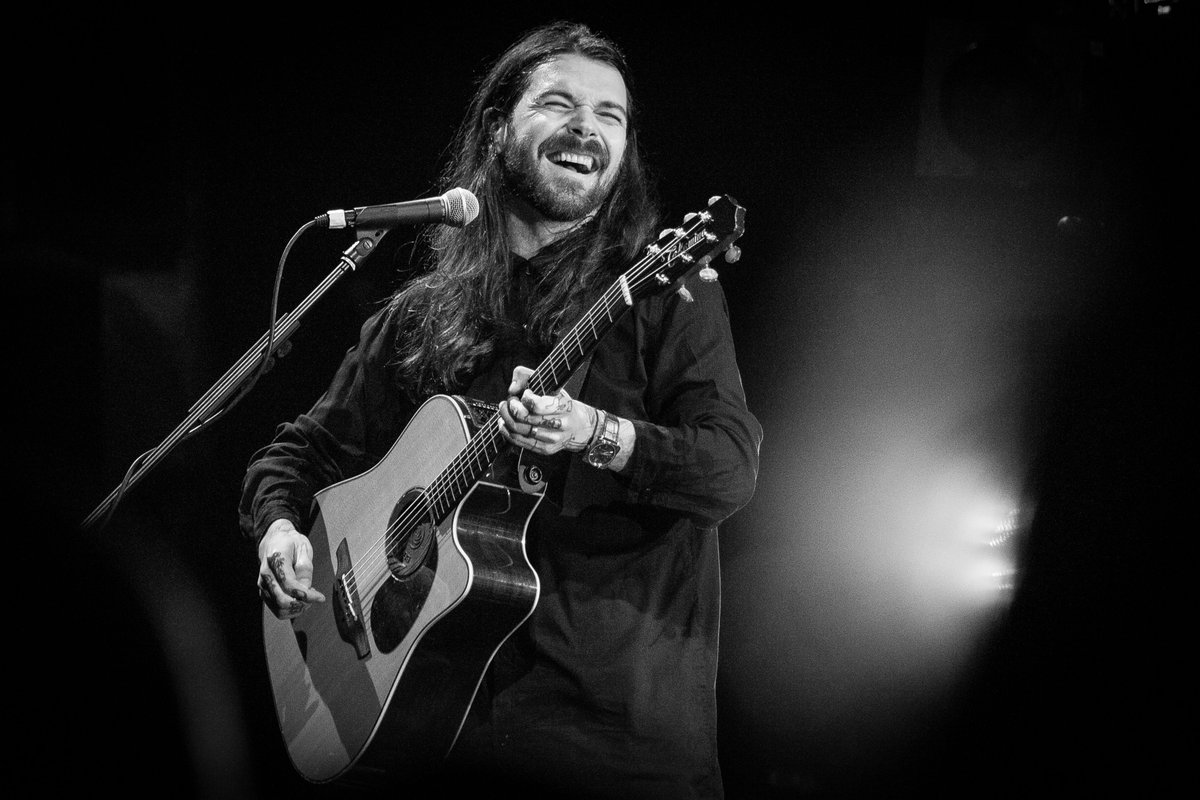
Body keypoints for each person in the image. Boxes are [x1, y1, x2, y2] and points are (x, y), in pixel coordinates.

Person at [239, 20, 762, 799]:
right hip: (443, 736)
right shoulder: (421, 315)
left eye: (610, 116)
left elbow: (730, 471)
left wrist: (598, 433)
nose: (588, 127)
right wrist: (279, 528)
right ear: (497, 130)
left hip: (612, 742)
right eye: (560, 104)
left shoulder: (665, 293)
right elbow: (299, 453)